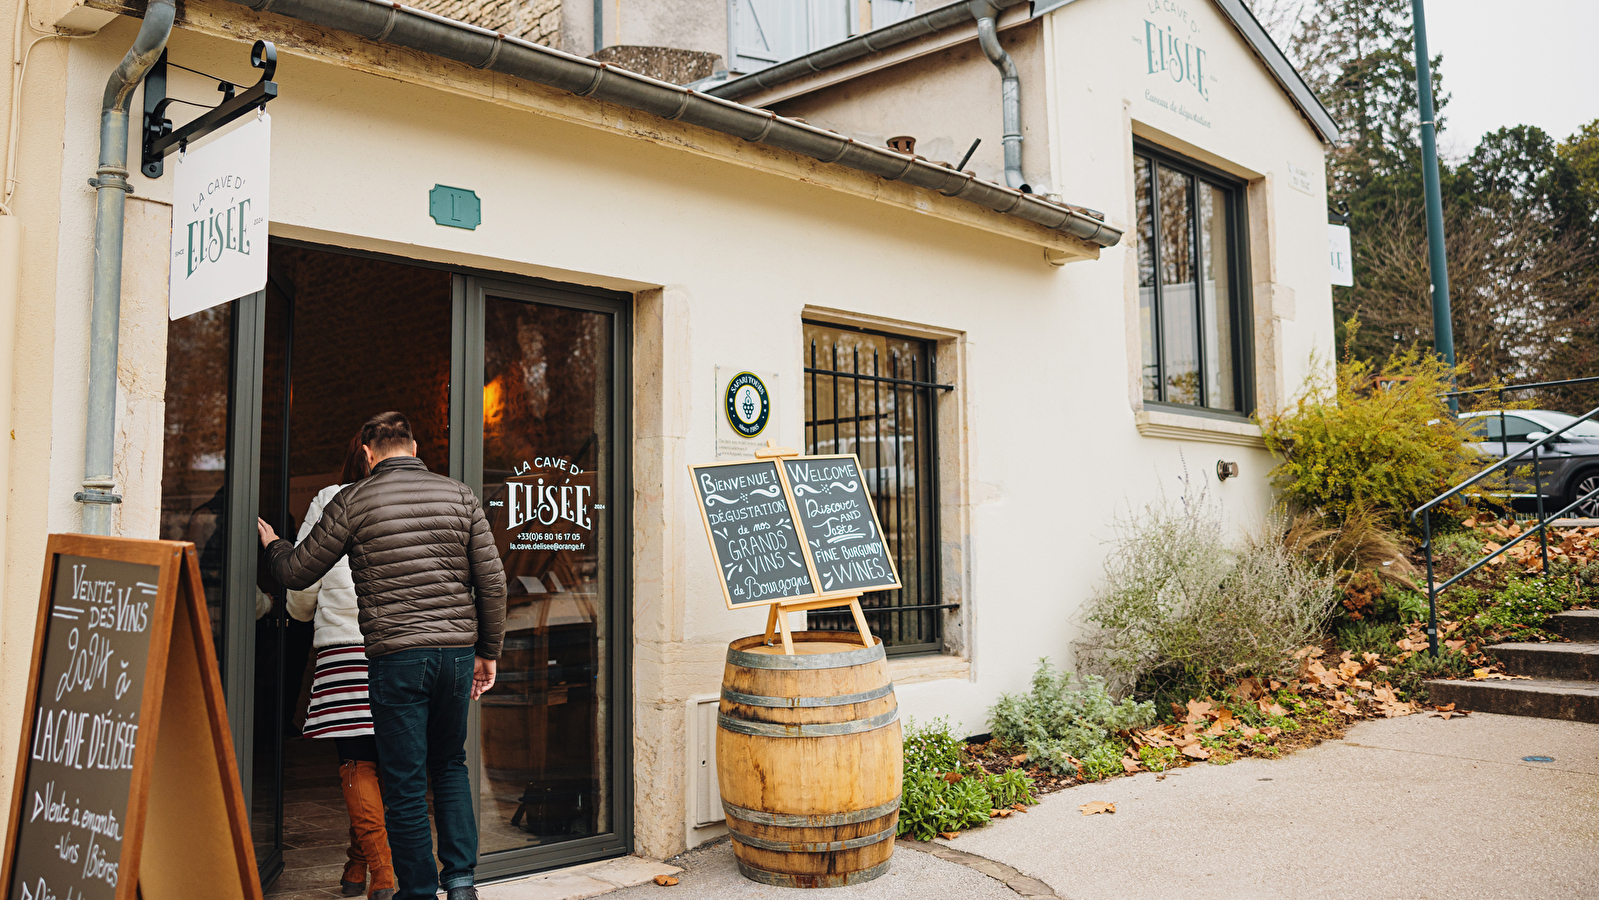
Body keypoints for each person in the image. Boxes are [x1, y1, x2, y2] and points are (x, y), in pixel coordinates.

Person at [259, 412, 506, 900]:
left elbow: (297, 572)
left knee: (405, 780)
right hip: (456, 655)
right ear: (414, 450)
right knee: (450, 765)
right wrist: (488, 653)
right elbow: (492, 581)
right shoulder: (459, 494)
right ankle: (460, 885)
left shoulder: (352, 499)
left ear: (369, 455)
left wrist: (273, 545)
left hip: (396, 657)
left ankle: (415, 892)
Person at [285, 434, 395, 900]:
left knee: (356, 760)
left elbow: (304, 583)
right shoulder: (406, 502)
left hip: (346, 648)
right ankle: (357, 867)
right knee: (388, 762)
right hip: (397, 647)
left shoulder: (331, 500)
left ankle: (384, 877)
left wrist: (296, 607)